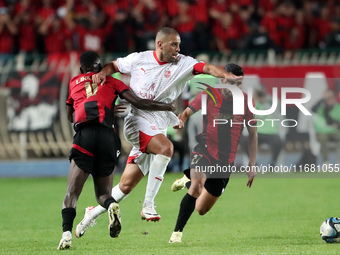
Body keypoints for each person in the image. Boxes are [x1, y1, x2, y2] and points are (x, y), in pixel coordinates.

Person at [75, 27, 240, 237]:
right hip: (137, 122)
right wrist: (101, 74)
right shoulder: (139, 59)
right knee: (166, 148)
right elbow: (114, 65)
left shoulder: (184, 63)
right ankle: (148, 205)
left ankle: (91, 213)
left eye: (179, 44)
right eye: (174, 44)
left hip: (158, 125)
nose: (178, 49)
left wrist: (225, 74)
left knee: (125, 187)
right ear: (160, 44)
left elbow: (207, 68)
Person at [57, 50, 175, 250]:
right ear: (100, 66)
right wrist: (166, 106)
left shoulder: (74, 82)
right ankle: (111, 205)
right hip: (108, 139)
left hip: (84, 137)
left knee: (72, 192)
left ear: (81, 69)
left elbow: (71, 116)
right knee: (103, 193)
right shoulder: (112, 81)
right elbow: (138, 102)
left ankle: (66, 234)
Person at [169, 63, 258, 243]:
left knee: (201, 209)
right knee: (196, 187)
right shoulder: (208, 95)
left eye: (239, 83)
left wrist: (252, 164)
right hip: (205, 149)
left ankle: (186, 179)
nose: (236, 87)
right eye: (232, 82)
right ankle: (176, 234)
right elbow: (186, 113)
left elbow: (253, 134)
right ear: (223, 79)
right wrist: (182, 121)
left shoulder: (247, 101)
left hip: (226, 160)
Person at [311, 89, 340, 165]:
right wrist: (322, 99)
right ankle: (326, 162)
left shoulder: (338, 108)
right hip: (323, 132)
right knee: (323, 137)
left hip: (336, 132)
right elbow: (313, 109)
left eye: (330, 97)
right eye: (327, 98)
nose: (329, 100)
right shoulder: (321, 109)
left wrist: (336, 123)